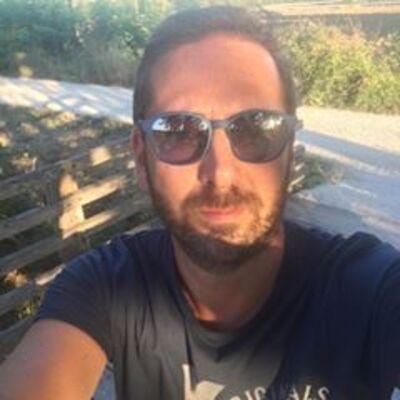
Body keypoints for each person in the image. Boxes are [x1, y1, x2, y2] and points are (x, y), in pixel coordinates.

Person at [0, 6, 399, 400]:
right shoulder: (106, 287)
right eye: (178, 131)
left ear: (290, 153)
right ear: (141, 158)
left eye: (257, 128)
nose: (220, 173)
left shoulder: (369, 289)